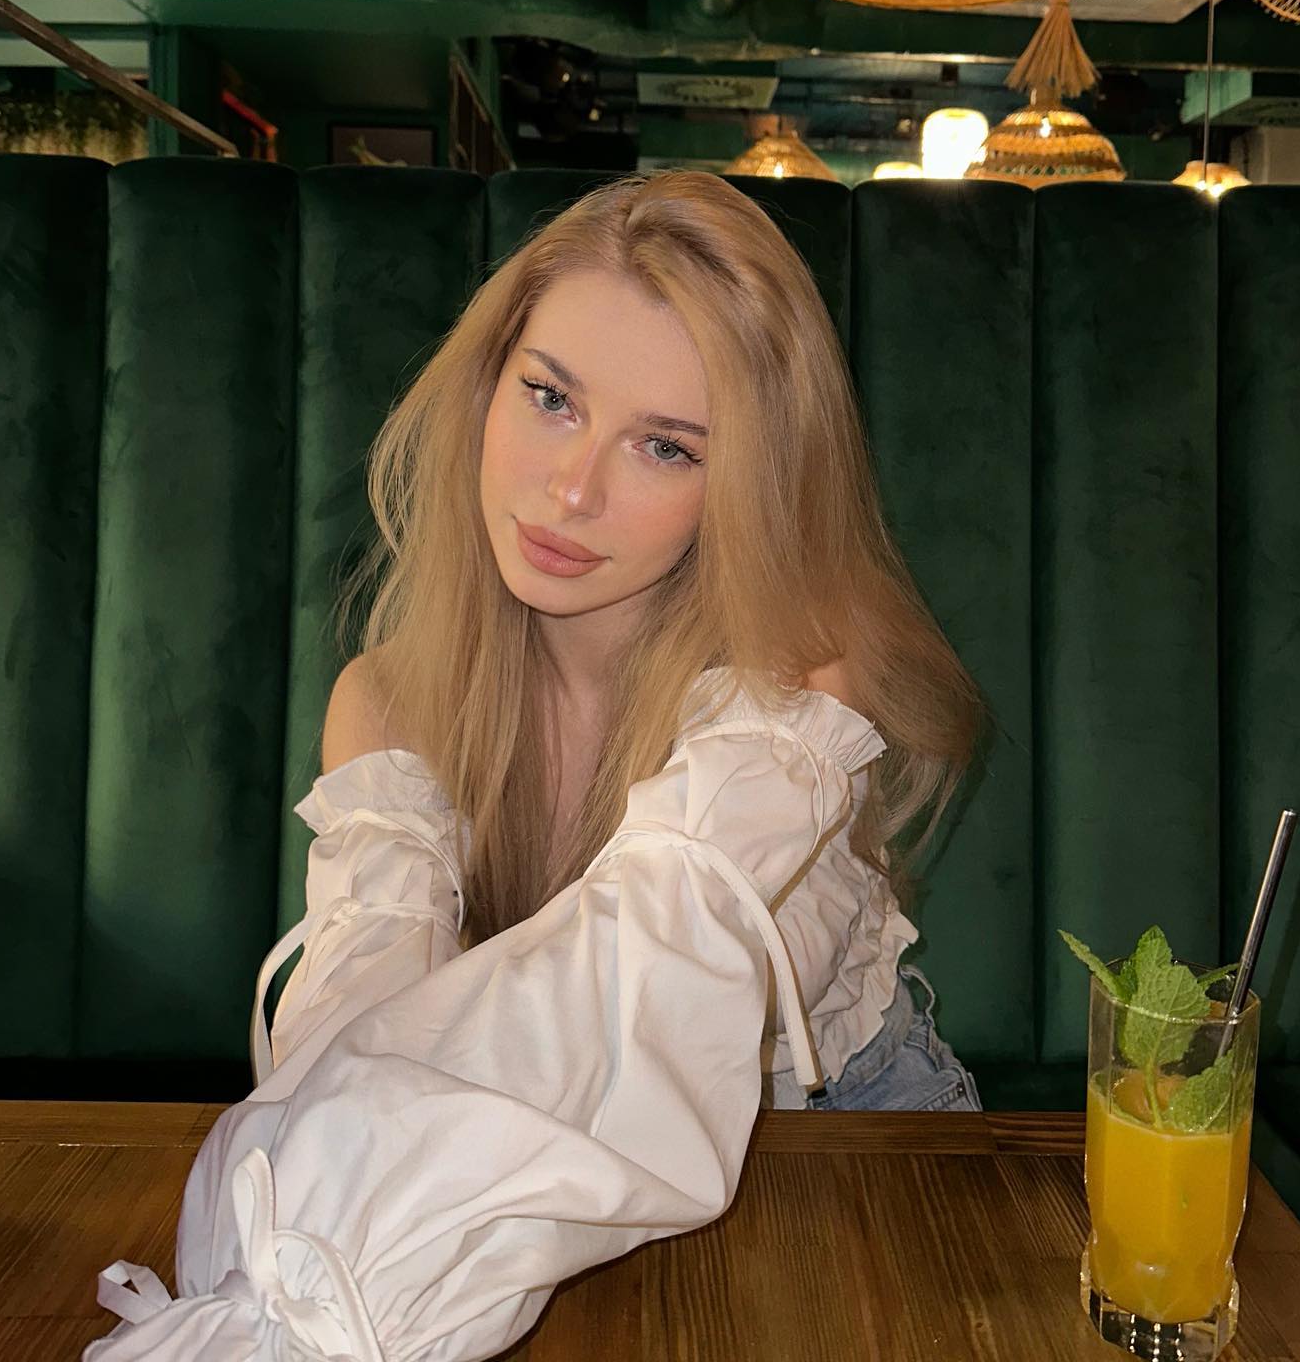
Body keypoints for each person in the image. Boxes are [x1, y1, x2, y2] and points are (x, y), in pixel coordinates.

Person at [83, 170, 986, 1361]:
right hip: (541, 1173)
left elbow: (635, 1018)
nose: (573, 489)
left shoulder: (796, 692)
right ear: (486, 381)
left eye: (665, 446)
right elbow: (356, 1041)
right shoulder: (392, 699)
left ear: (747, 485)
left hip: (835, 1155)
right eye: (551, 398)